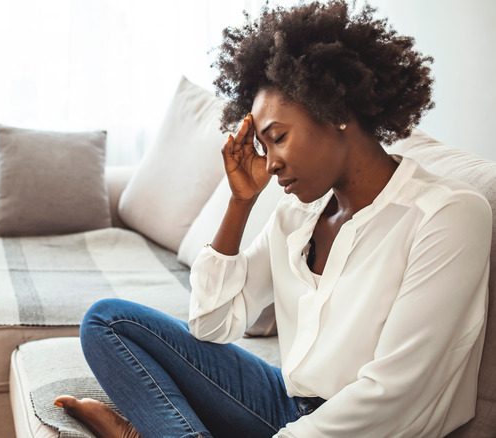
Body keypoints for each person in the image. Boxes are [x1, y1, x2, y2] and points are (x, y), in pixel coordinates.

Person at [54, 1, 492, 436]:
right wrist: (240, 202)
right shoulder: (297, 214)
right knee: (107, 321)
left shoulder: (448, 214)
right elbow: (212, 323)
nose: (272, 163)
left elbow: (397, 394)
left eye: (278, 138)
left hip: (367, 429)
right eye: (264, 146)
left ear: (337, 111)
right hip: (285, 405)